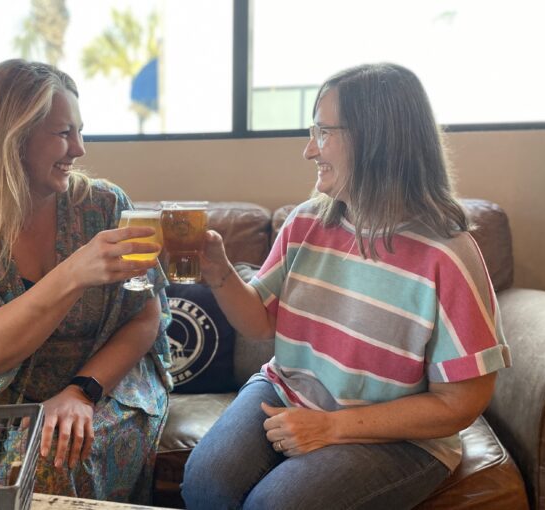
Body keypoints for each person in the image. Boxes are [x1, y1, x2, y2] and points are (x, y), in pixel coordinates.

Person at [181, 63, 511, 510]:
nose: (308, 151)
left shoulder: (446, 254)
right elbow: (259, 323)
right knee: (204, 483)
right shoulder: (306, 222)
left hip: (402, 438)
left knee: (275, 506)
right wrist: (219, 271)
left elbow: (460, 403)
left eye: (322, 132)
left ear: (375, 139)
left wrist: (332, 428)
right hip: (289, 389)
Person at [0, 59, 172, 504]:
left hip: (104, 383)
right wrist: (72, 273)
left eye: (80, 131)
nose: (80, 149)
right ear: (11, 137)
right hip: (5, 393)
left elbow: (146, 318)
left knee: (48, 459)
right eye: (64, 133)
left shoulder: (104, 207)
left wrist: (80, 392)